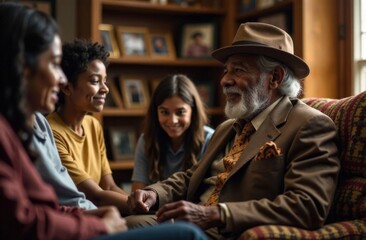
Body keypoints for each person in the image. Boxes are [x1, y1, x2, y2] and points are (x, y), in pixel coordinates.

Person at [0, 3, 209, 240]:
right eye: (53, 64)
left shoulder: (51, 125)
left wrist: (106, 215)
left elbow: (87, 194)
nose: (60, 79)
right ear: (22, 67)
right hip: (78, 224)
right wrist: (103, 221)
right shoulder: (39, 129)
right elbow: (37, 215)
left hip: (79, 218)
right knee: (186, 233)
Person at [126, 22, 340, 239]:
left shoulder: (310, 125)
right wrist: (154, 193)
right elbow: (192, 177)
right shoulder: (228, 127)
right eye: (226, 71)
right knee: (124, 225)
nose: (225, 81)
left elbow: (308, 206)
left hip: (227, 232)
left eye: (238, 70)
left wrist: (219, 214)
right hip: (192, 224)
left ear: (274, 77)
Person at [46, 39, 130, 214]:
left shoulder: (93, 125)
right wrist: (143, 208)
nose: (105, 89)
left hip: (102, 212)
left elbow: (109, 185)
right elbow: (95, 196)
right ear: (67, 87)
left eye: (104, 81)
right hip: (78, 218)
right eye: (95, 81)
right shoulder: (52, 132)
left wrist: (142, 205)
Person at [131, 74, 214, 192]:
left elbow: (214, 193)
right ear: (156, 112)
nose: (172, 121)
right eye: (164, 112)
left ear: (193, 111)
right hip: (154, 210)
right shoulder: (146, 140)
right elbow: (137, 193)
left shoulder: (210, 139)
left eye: (180, 112)